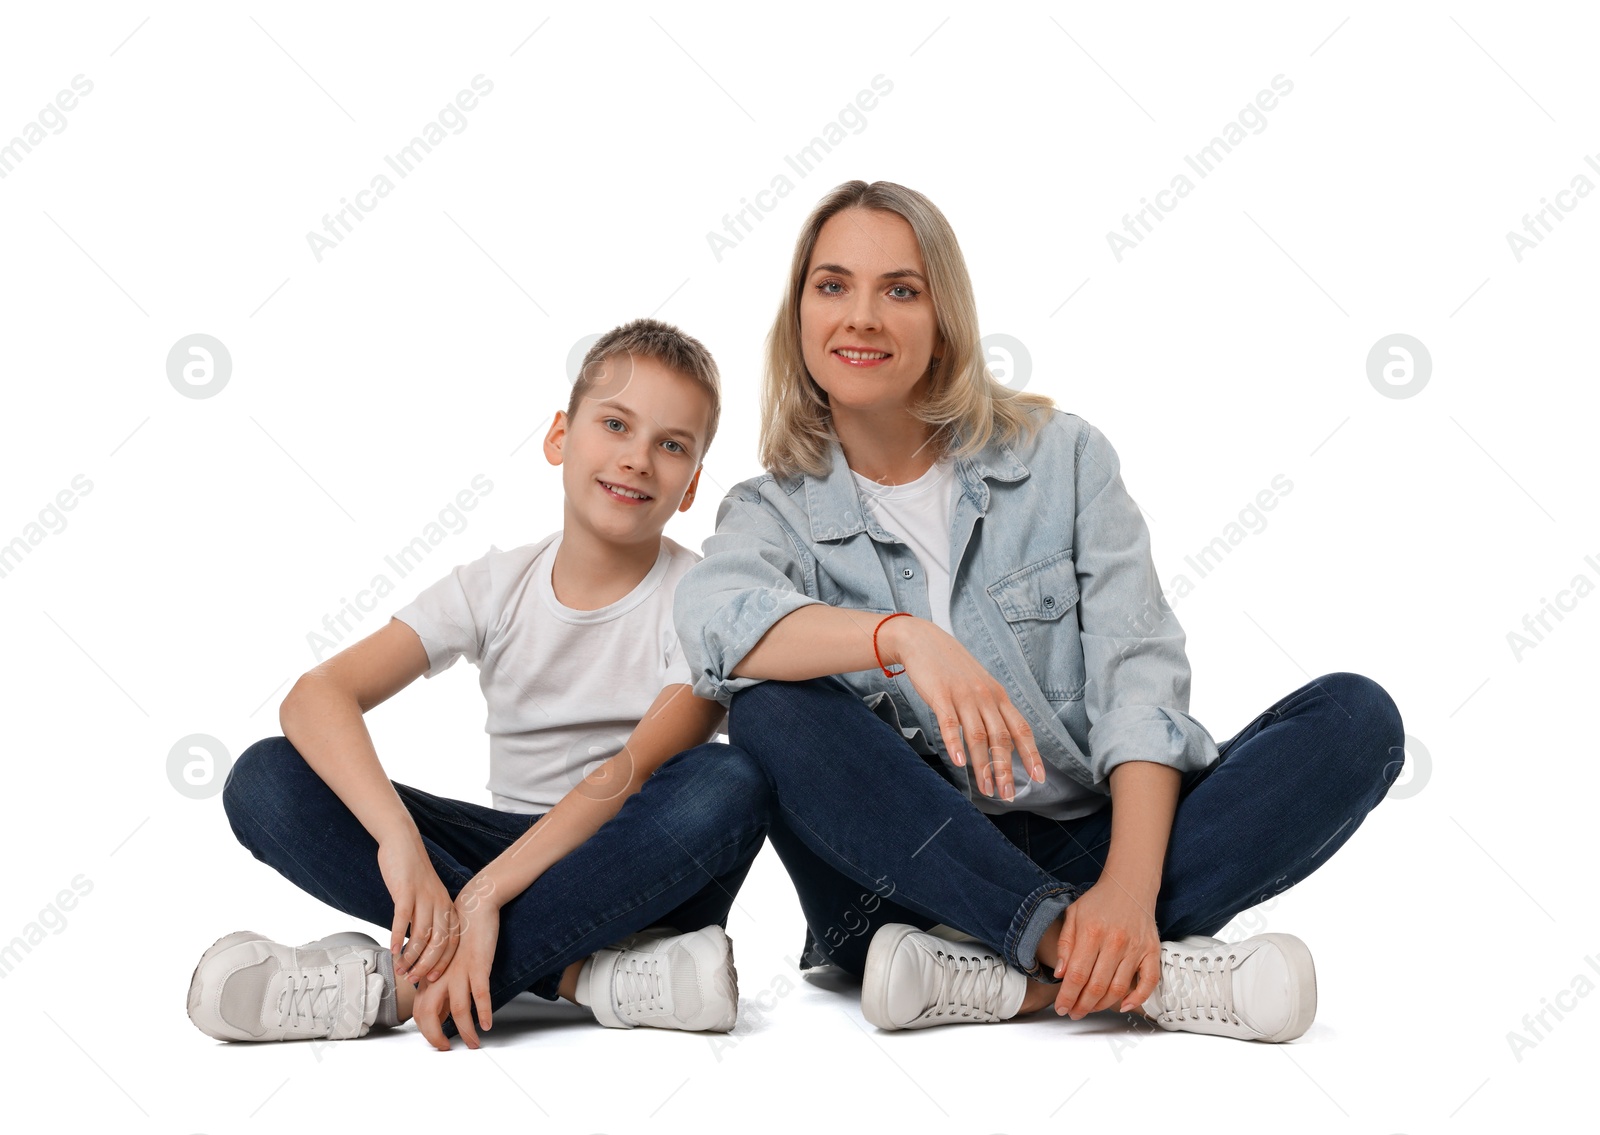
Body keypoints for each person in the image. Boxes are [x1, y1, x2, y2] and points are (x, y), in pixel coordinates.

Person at [673, 180, 1405, 1042]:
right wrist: (901, 637)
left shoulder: (1065, 458)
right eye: (832, 286)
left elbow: (1141, 682)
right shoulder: (772, 510)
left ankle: (1010, 970)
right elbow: (714, 620)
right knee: (770, 706)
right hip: (899, 881)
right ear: (799, 316)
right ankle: (1110, 962)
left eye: (899, 289)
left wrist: (1127, 893)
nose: (861, 316)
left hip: (1091, 852)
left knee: (1357, 718)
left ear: (943, 316)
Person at [187, 318, 772, 1051]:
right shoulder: (498, 584)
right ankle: (586, 977)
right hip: (494, 858)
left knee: (729, 778)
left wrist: (488, 892)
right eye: (616, 424)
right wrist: (401, 841)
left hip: (631, 866)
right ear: (560, 436)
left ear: (690, 487)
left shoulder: (702, 598)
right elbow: (316, 696)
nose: (636, 459)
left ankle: (388, 986)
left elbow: (633, 770)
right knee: (263, 777)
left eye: (671, 445)